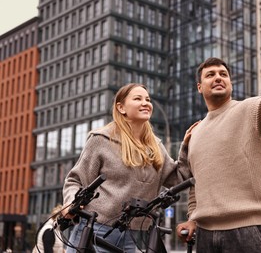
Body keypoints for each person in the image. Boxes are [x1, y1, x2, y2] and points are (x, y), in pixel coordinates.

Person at [176, 16, 261, 252]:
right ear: (199, 87)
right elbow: (195, 185)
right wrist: (193, 217)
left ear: (231, 83)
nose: (218, 77)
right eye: (211, 74)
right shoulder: (194, 133)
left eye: (223, 74)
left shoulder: (250, 109)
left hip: (250, 232)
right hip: (205, 236)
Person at [62, 83, 194, 253]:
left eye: (148, 99)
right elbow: (75, 179)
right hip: (96, 230)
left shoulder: (156, 146)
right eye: (138, 99)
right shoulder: (101, 140)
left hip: (134, 235)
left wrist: (186, 147)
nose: (145, 103)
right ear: (121, 107)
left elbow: (178, 178)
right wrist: (70, 201)